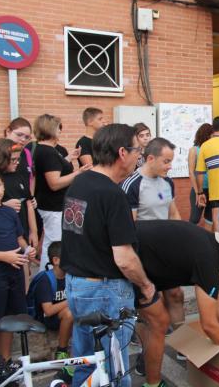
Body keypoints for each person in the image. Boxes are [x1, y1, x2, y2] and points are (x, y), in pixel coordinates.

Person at [61, 124, 155, 387]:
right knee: (116, 370)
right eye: (137, 150)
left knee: (85, 364)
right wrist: (146, 285)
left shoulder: (81, 182)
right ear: (122, 152)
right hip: (105, 291)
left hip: (77, 285)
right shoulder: (112, 194)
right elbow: (124, 257)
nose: (140, 155)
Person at [133, 220, 219, 387]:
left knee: (159, 320)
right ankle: (153, 384)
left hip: (138, 250)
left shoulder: (211, 245)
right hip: (129, 256)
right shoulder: (207, 259)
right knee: (159, 322)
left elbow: (213, 297)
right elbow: (209, 326)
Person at [120, 137, 183, 368]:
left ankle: (183, 345)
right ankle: (145, 356)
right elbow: (129, 228)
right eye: (166, 161)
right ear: (150, 158)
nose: (169, 166)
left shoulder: (168, 182)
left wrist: (178, 242)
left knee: (176, 295)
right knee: (147, 307)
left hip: (166, 252)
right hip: (143, 256)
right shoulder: (132, 184)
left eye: (171, 162)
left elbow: (174, 213)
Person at [34, 114, 91, 268]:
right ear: (50, 129)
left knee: (52, 242)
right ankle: (52, 277)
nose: (60, 130)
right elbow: (54, 183)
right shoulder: (47, 152)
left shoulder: (46, 150)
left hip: (55, 206)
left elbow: (54, 169)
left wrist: (68, 158)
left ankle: (50, 276)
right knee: (55, 245)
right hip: (53, 207)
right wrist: (78, 173)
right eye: (58, 127)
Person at [0, 172, 36, 378]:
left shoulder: (9, 213)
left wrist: (27, 251)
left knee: (9, 319)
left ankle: (5, 364)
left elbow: (19, 239)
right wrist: (4, 256)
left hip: (14, 273)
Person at [29, 241, 74, 381]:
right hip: (48, 319)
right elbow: (48, 310)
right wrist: (71, 300)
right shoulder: (45, 279)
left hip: (64, 315)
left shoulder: (70, 276)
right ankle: (61, 351)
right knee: (69, 312)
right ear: (55, 260)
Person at [0, 140, 39, 253]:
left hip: (22, 229)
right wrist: (4, 204)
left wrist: (33, 232)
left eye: (18, 159)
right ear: (2, 159)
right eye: (13, 160)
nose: (17, 163)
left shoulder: (19, 176)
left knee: (25, 260)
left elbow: (29, 203)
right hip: (4, 234)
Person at [187, 123, 213, 227]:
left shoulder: (212, 148)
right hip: (199, 189)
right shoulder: (194, 150)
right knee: (195, 218)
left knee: (210, 218)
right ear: (206, 134)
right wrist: (197, 191)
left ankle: (207, 241)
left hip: (212, 189)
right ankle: (189, 241)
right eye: (211, 135)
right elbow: (191, 172)